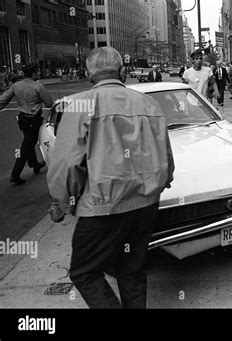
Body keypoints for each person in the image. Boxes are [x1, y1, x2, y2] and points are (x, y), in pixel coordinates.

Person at [46, 47, 175, 309]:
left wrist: (61, 202)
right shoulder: (147, 103)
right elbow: (165, 151)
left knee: (83, 271)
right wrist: (164, 179)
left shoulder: (79, 105)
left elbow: (67, 163)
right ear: (122, 71)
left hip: (102, 209)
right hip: (144, 205)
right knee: (131, 269)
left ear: (88, 73)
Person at [0, 63, 53, 185]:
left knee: (29, 141)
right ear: (33, 73)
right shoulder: (38, 87)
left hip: (23, 119)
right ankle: (15, 174)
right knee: (26, 146)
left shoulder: (16, 86)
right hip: (33, 119)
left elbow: (2, 101)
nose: (38, 73)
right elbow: (49, 103)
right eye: (37, 71)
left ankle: (34, 164)